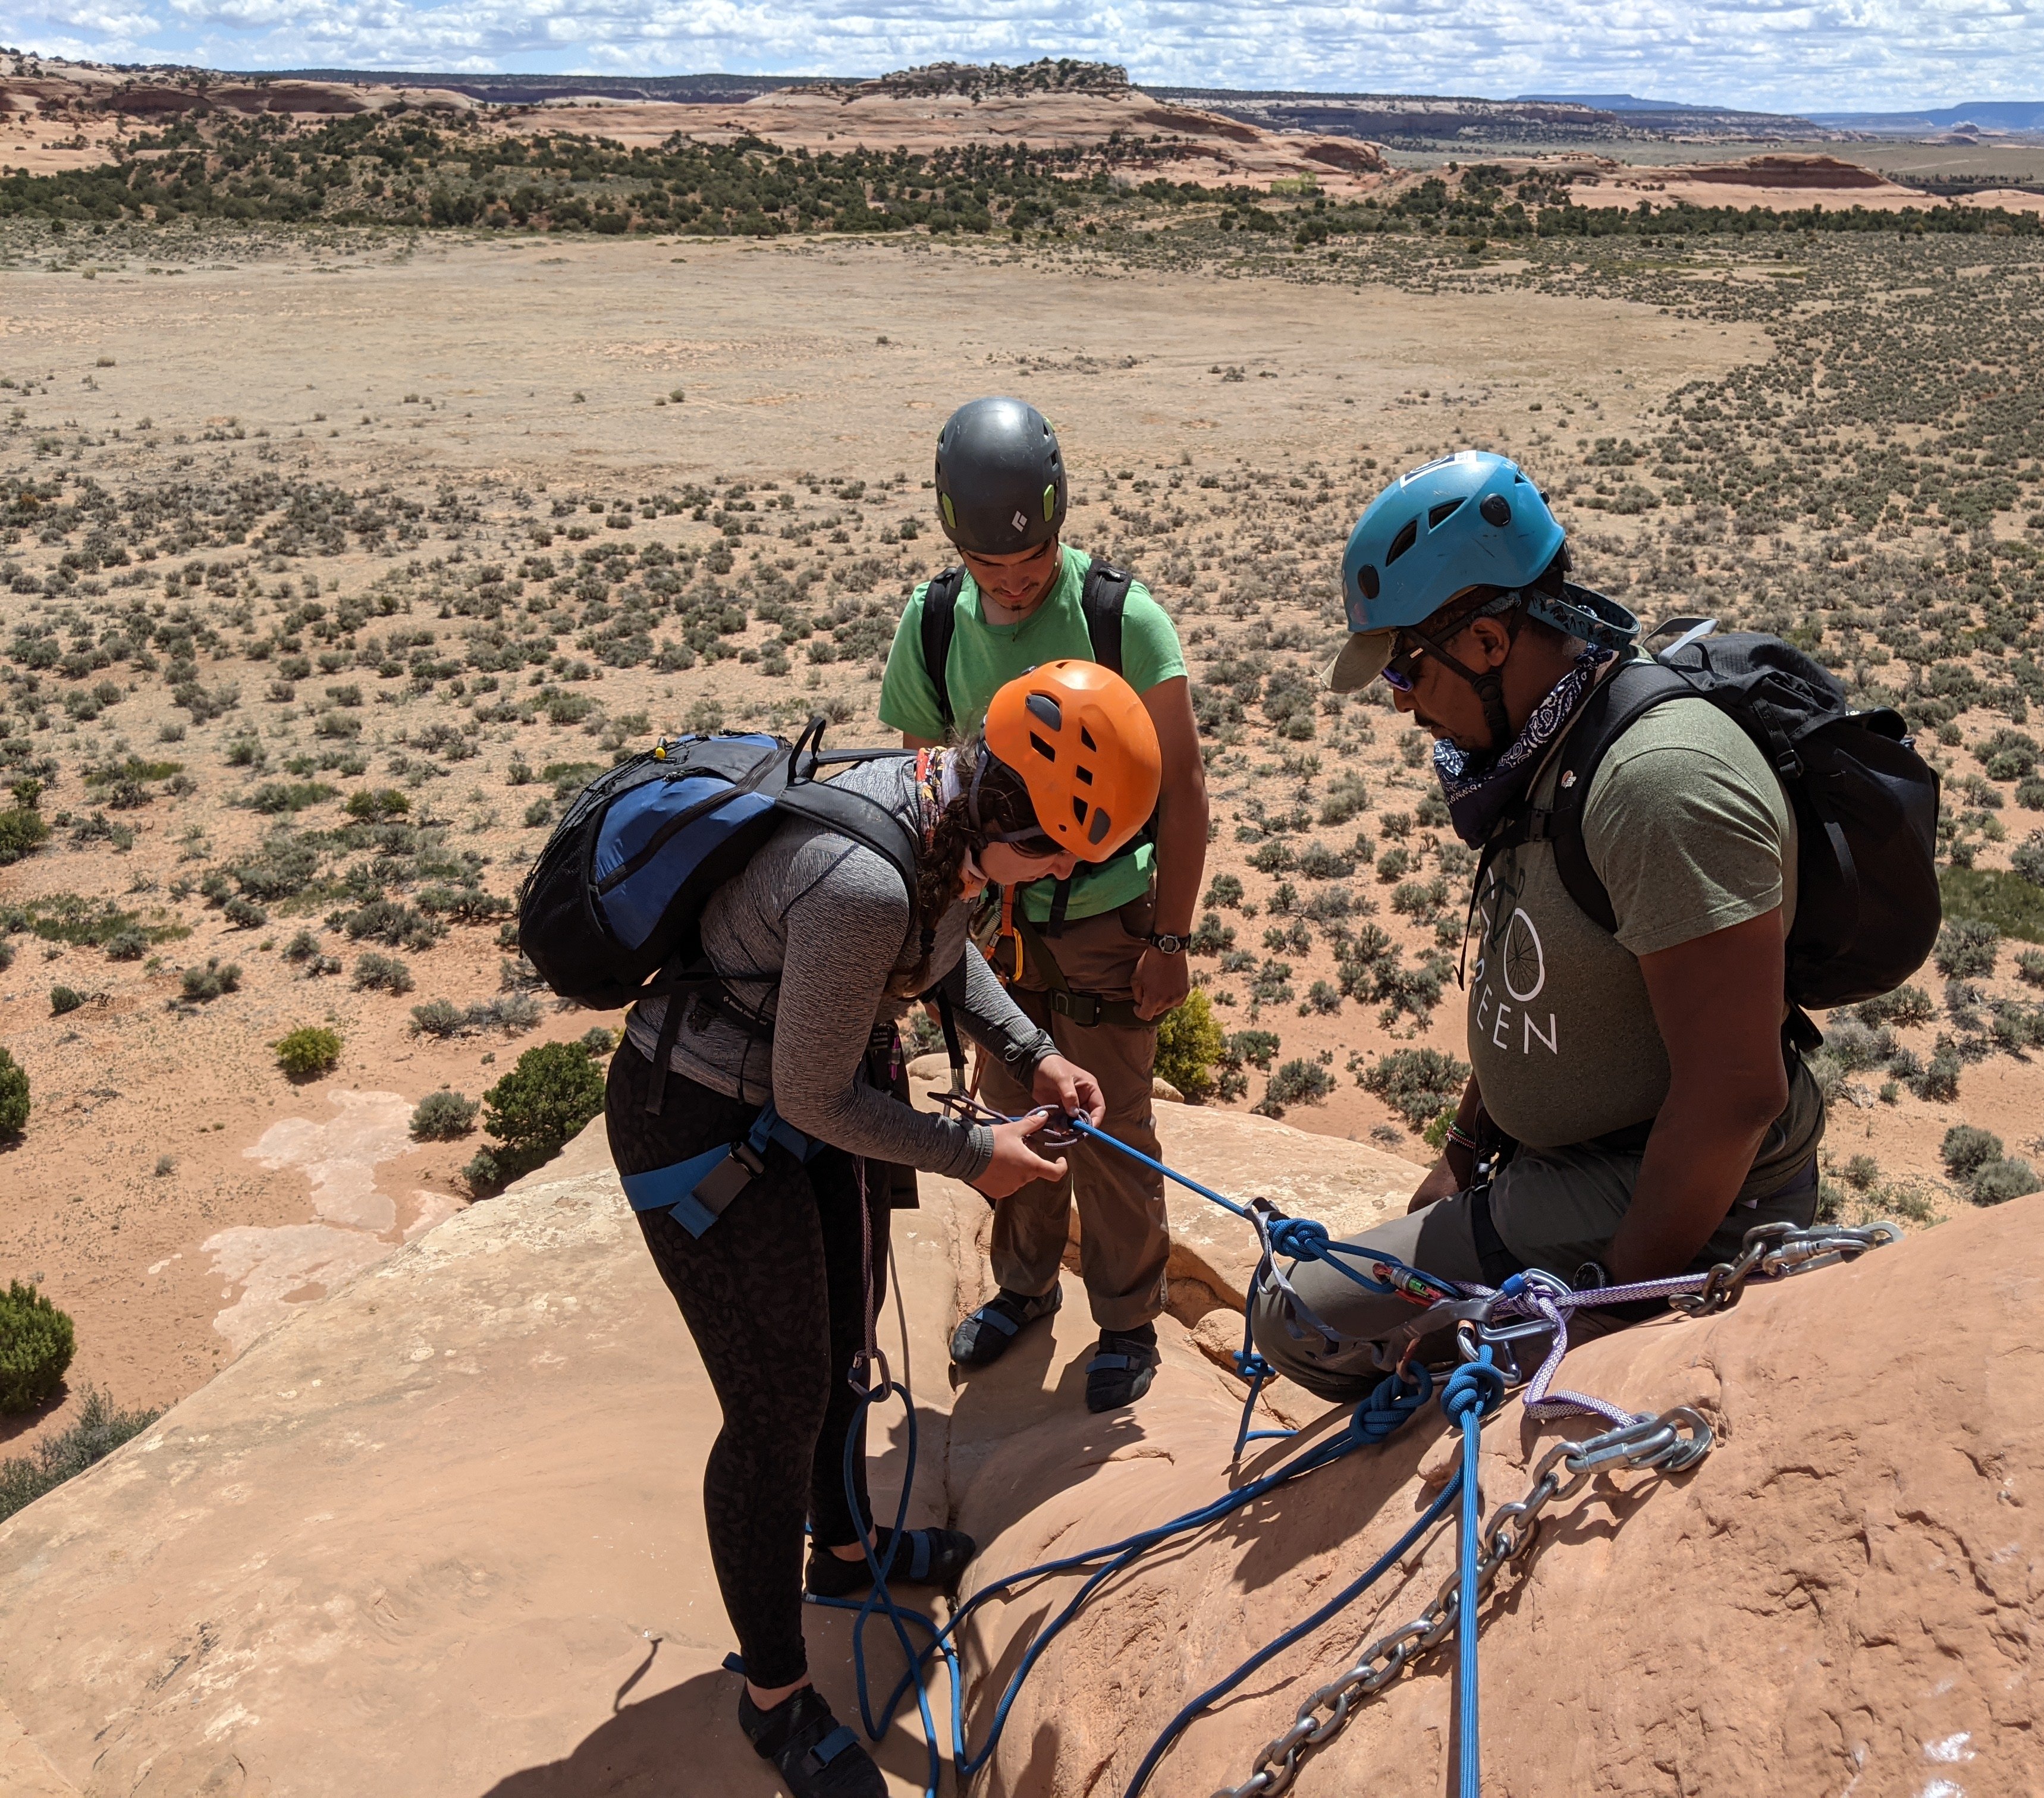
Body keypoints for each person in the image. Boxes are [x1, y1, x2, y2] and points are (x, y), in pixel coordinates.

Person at [604, 664, 1160, 1798]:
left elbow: (948, 957)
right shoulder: (863, 881)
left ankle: (847, 1557)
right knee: (773, 1411)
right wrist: (978, 1158)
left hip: (779, 1112)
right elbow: (817, 1096)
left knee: (838, 1359)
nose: (1061, 875)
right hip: (704, 1129)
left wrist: (1038, 1053)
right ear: (1001, 811)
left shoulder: (941, 813)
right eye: (1054, 852)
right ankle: (774, 1698)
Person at [1248, 451, 1825, 1398]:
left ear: (1484, 642)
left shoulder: (1657, 784)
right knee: (1362, 1293)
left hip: (1665, 1187)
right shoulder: (1549, 734)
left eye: (1404, 664)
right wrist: (1468, 1149)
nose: (1398, 699)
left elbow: (1733, 1097)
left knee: (1298, 1315)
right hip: (1566, 1163)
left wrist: (1604, 1323)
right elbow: (1549, 972)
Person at [877, 396, 1210, 1414]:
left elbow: (1185, 790)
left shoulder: (1120, 617)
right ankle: (1023, 1289)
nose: (1014, 588)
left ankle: (1126, 1319)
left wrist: (1170, 935)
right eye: (991, 572)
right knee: (1015, 1110)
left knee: (1111, 1124)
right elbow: (926, 787)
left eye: (1031, 566)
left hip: (1110, 920)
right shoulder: (934, 625)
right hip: (996, 930)